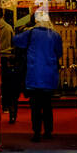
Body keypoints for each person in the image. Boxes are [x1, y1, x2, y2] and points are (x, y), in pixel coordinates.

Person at [13, 9, 61, 141]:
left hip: (34, 75)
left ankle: (37, 133)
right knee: (47, 105)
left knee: (35, 106)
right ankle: (48, 131)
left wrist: (24, 27)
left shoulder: (30, 33)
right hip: (49, 75)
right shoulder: (55, 35)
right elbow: (59, 53)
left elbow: (15, 40)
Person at [0, 8, 19, 123]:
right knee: (9, 87)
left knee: (1, 85)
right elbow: (13, 45)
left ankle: (4, 106)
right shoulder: (8, 28)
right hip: (7, 59)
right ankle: (10, 109)